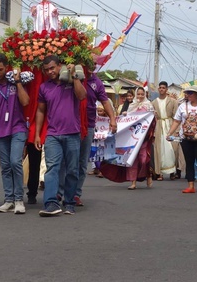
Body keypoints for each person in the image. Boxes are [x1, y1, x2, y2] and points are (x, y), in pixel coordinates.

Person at [34, 55, 86, 216]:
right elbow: (41, 110)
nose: (50, 72)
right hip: (53, 135)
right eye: (47, 69)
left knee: (72, 170)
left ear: (59, 66)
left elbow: (82, 95)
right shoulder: (44, 87)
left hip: (72, 134)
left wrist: (74, 76)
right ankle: (50, 203)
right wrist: (37, 134)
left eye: (52, 68)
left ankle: (69, 202)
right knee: (52, 169)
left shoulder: (72, 82)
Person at [0, 53, 30, 214]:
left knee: (15, 162)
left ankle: (18, 199)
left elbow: (25, 102)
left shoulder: (17, 84)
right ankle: (8, 199)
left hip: (18, 128)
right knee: (5, 166)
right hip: (0, 131)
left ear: (7, 67)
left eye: (0, 69)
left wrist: (17, 82)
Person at [73, 73, 117, 204]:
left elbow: (104, 101)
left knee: (82, 162)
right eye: (89, 61)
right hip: (71, 125)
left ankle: (76, 194)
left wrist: (113, 119)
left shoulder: (96, 82)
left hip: (89, 125)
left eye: (94, 63)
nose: (92, 65)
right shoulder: (72, 77)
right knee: (67, 160)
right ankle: (60, 192)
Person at [123, 87, 154, 190]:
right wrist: (125, 115)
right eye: (138, 94)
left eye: (142, 94)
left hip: (144, 137)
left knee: (143, 158)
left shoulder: (149, 105)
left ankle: (148, 174)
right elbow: (127, 120)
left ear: (145, 95)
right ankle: (133, 182)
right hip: (133, 137)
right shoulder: (132, 105)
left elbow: (153, 120)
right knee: (132, 159)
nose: (140, 96)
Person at [151, 81, 178, 180]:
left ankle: (173, 171)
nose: (161, 89)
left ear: (167, 89)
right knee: (160, 149)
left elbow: (177, 117)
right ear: (158, 89)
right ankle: (160, 173)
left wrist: (176, 129)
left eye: (163, 88)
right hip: (159, 127)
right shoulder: (154, 102)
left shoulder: (173, 101)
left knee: (172, 149)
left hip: (170, 126)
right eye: (160, 87)